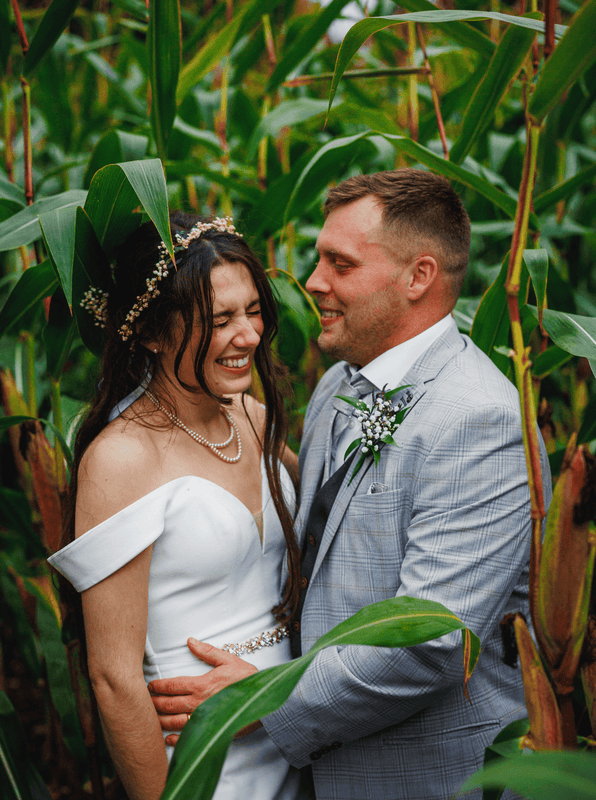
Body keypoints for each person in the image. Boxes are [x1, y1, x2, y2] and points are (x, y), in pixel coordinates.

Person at [151, 169, 552, 800]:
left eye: (340, 263)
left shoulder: (480, 420)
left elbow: (430, 642)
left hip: (427, 776)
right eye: (318, 259)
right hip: (314, 769)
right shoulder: (341, 385)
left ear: (418, 277)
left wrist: (262, 695)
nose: (313, 282)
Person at [48, 212, 306, 800]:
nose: (249, 335)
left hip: (289, 727)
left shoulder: (254, 418)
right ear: (151, 333)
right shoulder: (122, 460)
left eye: (252, 310)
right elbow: (113, 678)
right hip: (202, 755)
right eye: (220, 320)